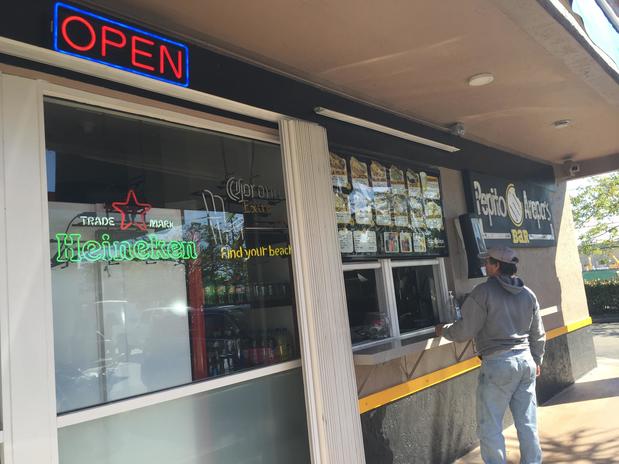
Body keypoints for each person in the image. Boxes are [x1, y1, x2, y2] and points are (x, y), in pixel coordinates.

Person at [435, 247, 545, 464]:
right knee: (528, 423)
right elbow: (538, 333)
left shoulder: (482, 292)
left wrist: (443, 330)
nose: (485, 266)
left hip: (498, 364)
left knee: (490, 426)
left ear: (497, 266)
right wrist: (537, 359)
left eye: (488, 262)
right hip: (526, 362)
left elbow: (464, 330)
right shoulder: (528, 294)